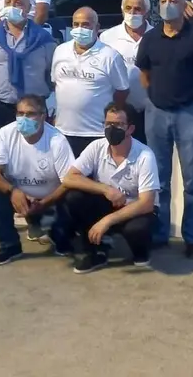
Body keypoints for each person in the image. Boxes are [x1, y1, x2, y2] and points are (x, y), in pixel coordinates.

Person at [135, 0, 193, 258]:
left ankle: (192, 238)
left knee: (192, 182)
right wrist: (154, 99)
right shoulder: (150, 38)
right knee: (158, 180)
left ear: (185, 4)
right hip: (156, 114)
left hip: (189, 112)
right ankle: (160, 233)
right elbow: (144, 74)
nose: (168, 4)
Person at [0, 0, 56, 240]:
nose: (13, 6)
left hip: (33, 109)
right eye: (9, 1)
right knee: (1, 165)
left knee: (31, 165)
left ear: (29, 7)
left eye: (19, 2)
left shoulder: (43, 39)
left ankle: (34, 219)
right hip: (0, 106)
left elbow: (50, 75)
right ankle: (2, 222)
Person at [62, 103, 161, 274]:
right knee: (74, 197)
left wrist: (106, 221)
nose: (111, 128)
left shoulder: (145, 155)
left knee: (137, 230)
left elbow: (146, 203)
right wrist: (105, 189)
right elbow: (69, 178)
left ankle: (140, 250)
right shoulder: (96, 147)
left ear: (130, 129)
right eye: (108, 124)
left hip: (135, 210)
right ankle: (94, 250)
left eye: (118, 125)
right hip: (107, 204)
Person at [0, 94, 75, 265]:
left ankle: (60, 233)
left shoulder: (57, 140)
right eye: (20, 113)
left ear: (42, 116)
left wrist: (46, 202)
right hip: (19, 194)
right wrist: (13, 191)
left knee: (73, 195)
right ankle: (9, 245)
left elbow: (69, 181)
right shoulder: (5, 134)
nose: (24, 118)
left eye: (30, 114)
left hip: (52, 195)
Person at [51, 6, 130, 157]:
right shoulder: (60, 51)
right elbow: (57, 84)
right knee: (66, 178)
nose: (80, 29)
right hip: (63, 131)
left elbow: (122, 91)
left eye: (86, 25)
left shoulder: (110, 56)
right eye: (76, 24)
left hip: (97, 133)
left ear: (97, 27)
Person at [99, 0, 153, 144]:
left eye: (138, 9)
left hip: (149, 109)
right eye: (128, 8)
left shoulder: (156, 35)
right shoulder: (107, 37)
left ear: (146, 12)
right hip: (118, 109)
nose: (132, 12)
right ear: (122, 11)